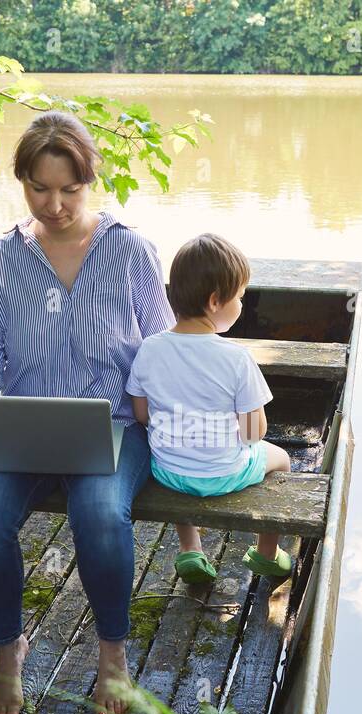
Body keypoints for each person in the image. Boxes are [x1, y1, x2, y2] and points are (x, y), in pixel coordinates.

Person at [0, 111, 173, 714]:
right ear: (21, 182)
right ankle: (8, 654)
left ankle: (113, 657)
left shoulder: (130, 251)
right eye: (39, 188)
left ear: (88, 181)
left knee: (100, 514)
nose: (54, 205)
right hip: (24, 428)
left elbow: (164, 345)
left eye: (69, 190)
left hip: (117, 425)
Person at [124, 234, 293, 585]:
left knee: (179, 451)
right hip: (224, 473)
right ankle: (266, 553)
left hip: (168, 471)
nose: (242, 306)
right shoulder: (236, 359)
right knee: (281, 459)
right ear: (216, 301)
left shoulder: (150, 349)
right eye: (240, 298)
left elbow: (142, 415)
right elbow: (253, 433)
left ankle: (191, 548)